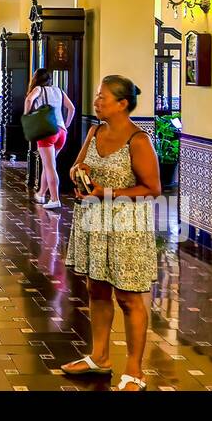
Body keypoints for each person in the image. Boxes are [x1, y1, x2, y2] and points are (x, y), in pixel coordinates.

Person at [61, 75, 162, 392]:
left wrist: (107, 192)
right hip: (94, 223)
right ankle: (100, 356)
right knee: (97, 290)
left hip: (126, 227)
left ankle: (135, 371)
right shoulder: (93, 132)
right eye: (97, 96)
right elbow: (75, 167)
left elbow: (152, 189)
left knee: (129, 298)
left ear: (122, 104)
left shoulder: (139, 141)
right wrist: (81, 175)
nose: (97, 101)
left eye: (103, 97)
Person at [24, 68, 77, 210]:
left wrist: (26, 114)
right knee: (49, 165)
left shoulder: (38, 90)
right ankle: (41, 193)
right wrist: (66, 125)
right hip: (61, 132)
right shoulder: (58, 90)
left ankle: (55, 199)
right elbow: (71, 108)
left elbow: (29, 99)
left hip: (46, 131)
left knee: (50, 167)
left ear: (36, 79)